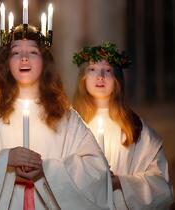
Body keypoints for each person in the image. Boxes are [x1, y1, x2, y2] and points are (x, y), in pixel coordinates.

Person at [0, 24, 112, 210]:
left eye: (33, 52)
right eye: (15, 53)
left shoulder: (65, 117)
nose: (24, 58)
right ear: (6, 63)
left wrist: (47, 170)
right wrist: (4, 160)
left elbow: (97, 169)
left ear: (45, 61)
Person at [72, 41, 174, 210]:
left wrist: (121, 182)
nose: (100, 77)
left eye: (107, 70)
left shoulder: (135, 128)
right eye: (92, 69)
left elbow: (161, 185)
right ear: (83, 78)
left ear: (117, 80)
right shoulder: (72, 125)